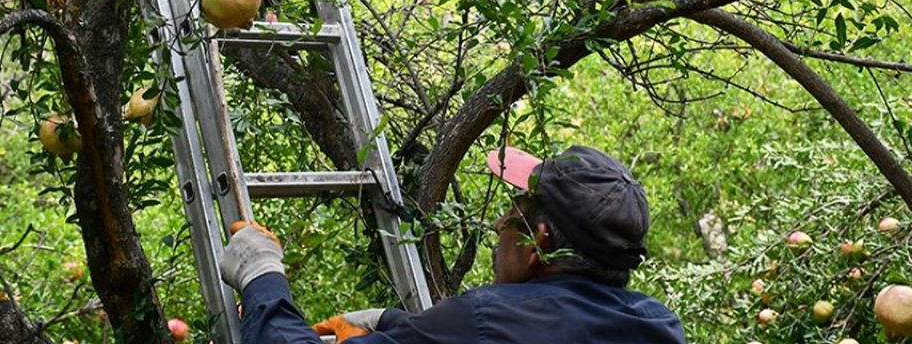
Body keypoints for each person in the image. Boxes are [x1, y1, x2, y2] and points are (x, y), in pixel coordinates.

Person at [220, 144, 686, 343]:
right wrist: (394, 324)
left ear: (537, 243)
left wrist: (261, 277)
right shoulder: (658, 326)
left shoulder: (484, 320)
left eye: (515, 209)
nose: (502, 220)